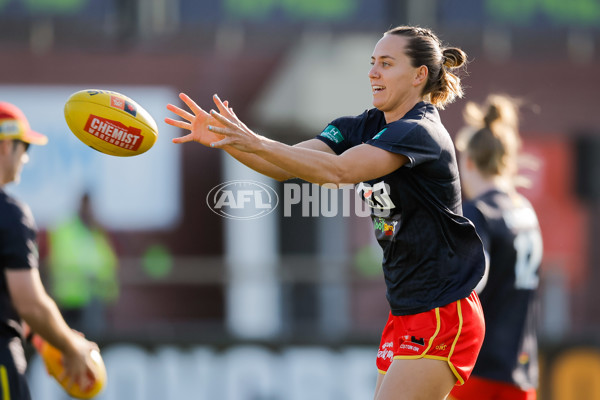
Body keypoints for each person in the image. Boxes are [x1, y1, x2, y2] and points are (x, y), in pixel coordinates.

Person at [166, 25, 486, 400]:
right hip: (407, 310)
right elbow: (289, 167)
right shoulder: (364, 126)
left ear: (419, 76)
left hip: (442, 310)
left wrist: (253, 140)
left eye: (386, 63)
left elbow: (339, 172)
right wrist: (226, 139)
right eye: (372, 63)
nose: (373, 72)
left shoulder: (420, 131)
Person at [0, 102, 101, 399]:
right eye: (25, 148)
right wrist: (71, 347)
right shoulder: (9, 214)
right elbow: (29, 302)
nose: (26, 158)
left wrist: (47, 337)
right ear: (6, 145)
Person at [449, 95, 543, 400]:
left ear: (470, 162)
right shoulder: (526, 211)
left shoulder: (479, 212)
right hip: (522, 367)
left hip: (479, 368)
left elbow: (476, 277)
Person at [47, 192, 119, 337]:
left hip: (93, 300)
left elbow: (109, 263)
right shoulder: (65, 230)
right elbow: (61, 260)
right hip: (69, 300)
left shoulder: (97, 232)